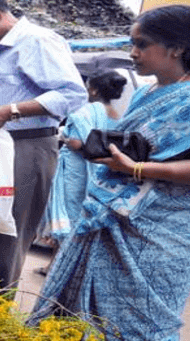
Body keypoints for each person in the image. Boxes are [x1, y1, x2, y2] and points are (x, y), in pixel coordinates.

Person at [28, 4, 190, 341]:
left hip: (165, 233)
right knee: (84, 316)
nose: (133, 53)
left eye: (141, 44)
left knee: (141, 324)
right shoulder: (148, 92)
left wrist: (138, 170)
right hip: (114, 216)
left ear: (177, 48)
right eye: (132, 44)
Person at [0, 0, 87, 291]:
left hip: (28, 147)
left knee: (8, 237)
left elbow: (73, 94)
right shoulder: (2, 49)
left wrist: (8, 111)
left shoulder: (38, 40)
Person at [40, 70, 127, 249]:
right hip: (100, 171)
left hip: (75, 170)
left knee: (69, 212)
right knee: (84, 213)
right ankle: (56, 263)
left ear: (93, 91)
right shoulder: (118, 115)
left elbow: (77, 143)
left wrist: (63, 136)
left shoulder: (84, 112)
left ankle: (57, 264)